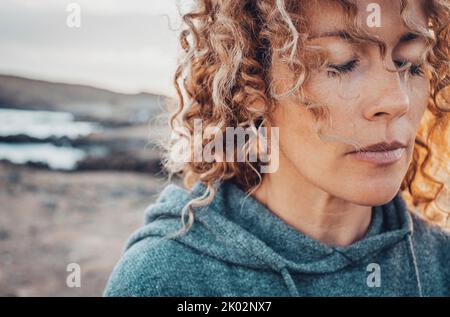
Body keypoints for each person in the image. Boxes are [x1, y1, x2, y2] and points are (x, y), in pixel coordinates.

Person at [104, 0, 450, 296]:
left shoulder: (442, 265)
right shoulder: (167, 280)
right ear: (252, 87)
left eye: (411, 62)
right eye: (340, 64)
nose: (397, 100)